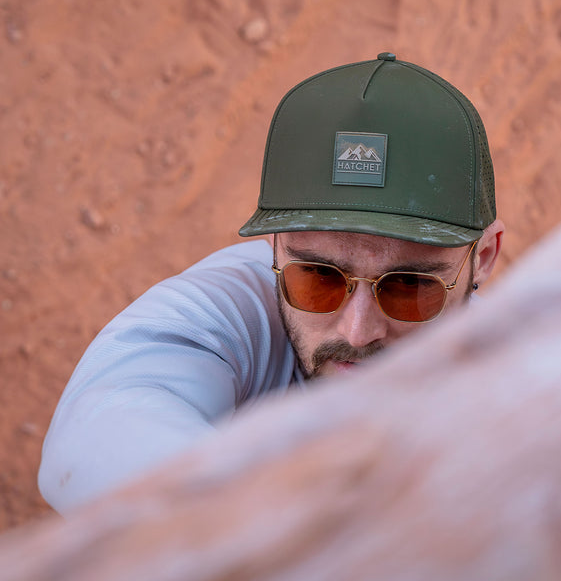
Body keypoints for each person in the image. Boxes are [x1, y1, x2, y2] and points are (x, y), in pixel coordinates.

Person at [38, 52, 505, 514]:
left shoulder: (518, 377)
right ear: (276, 246)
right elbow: (94, 437)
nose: (357, 332)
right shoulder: (229, 309)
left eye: (409, 287)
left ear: (482, 259)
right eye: (319, 277)